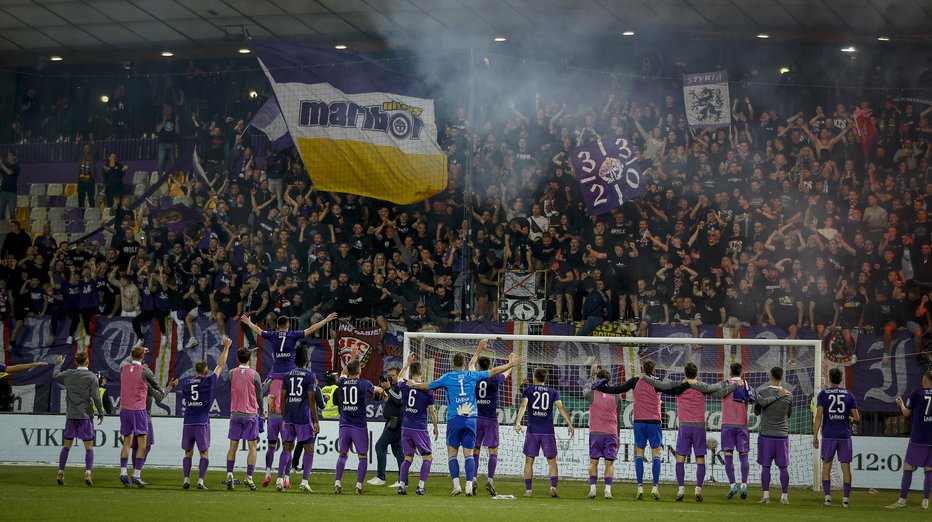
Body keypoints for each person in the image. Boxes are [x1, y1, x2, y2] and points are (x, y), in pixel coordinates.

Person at [405, 339, 526, 496]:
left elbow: (427, 385)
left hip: (455, 418)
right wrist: (510, 364)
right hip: (471, 419)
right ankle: (469, 485)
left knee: (452, 453)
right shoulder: (472, 375)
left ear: (452, 363)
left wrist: (413, 385)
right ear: (464, 363)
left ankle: (457, 485)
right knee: (469, 454)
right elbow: (494, 371)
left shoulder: (447, 377)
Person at [594, 359, 688, 500]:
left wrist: (600, 387)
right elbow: (674, 391)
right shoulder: (657, 382)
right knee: (656, 454)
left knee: (639, 453)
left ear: (642, 368)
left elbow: (617, 389)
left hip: (639, 422)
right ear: (654, 369)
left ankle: (640, 488)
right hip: (654, 422)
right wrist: (687, 384)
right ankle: (655, 487)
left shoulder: (634, 381)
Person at [667, 363, 739, 502]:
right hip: (699, 427)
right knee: (700, 458)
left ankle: (681, 489)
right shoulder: (703, 387)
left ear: (684, 373)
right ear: (697, 373)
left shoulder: (679, 387)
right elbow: (721, 392)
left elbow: (664, 387)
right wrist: (734, 385)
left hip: (684, 426)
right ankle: (698, 490)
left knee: (680, 457)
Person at [179, 337, 231, 490]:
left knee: (188, 452)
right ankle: (201, 481)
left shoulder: (186, 383)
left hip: (188, 422)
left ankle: (186, 480)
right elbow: (221, 365)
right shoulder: (208, 382)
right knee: (204, 452)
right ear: (206, 371)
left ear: (196, 370)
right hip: (202, 422)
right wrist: (226, 347)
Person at [514, 367, 574, 498]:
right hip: (547, 431)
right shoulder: (553, 391)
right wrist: (569, 423)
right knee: (552, 461)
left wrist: (518, 422)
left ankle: (528, 491)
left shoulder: (528, 390)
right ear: (545, 378)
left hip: (532, 431)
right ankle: (553, 488)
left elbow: (523, 405)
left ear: (534, 378)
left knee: (529, 461)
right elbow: (561, 407)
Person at [333, 347, 385, 495]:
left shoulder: (342, 382)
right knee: (362, 456)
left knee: (343, 454)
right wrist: (384, 392)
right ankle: (359, 486)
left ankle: (337, 484)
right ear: (360, 370)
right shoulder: (364, 383)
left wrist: (352, 358)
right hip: (359, 425)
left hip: (344, 424)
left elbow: (343, 373)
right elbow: (377, 390)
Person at [53, 352, 104, 486]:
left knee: (66, 446)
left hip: (71, 415)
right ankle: (88, 473)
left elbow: (56, 375)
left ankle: (60, 472)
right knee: (89, 446)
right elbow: (96, 397)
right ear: (87, 361)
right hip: (85, 416)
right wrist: (100, 412)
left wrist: (58, 364)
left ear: (76, 362)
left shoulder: (69, 373)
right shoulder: (91, 376)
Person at [813, 367, 860, 507]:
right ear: (841, 379)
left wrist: (815, 436)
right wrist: (850, 418)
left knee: (826, 465)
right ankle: (845, 499)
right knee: (846, 467)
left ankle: (827, 498)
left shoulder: (823, 394)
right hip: (844, 436)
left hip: (828, 435)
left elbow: (819, 416)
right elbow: (857, 417)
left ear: (829, 378)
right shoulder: (849, 395)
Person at [240, 312, 337, 379]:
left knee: (270, 395)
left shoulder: (272, 335)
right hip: (291, 372)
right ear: (288, 326)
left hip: (276, 373)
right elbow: (311, 329)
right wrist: (325, 320)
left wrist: (249, 323)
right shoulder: (293, 335)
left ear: (277, 325)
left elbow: (259, 331)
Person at [118, 346, 163, 488]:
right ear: (143, 357)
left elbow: (126, 360)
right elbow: (155, 384)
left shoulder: (123, 368)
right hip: (138, 410)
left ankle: (123, 472)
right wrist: (162, 389)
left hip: (124, 409)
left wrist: (136, 352)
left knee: (127, 443)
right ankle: (136, 474)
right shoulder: (144, 371)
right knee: (143, 443)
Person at [887, 369, 932, 510]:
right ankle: (925, 502)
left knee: (908, 466)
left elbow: (906, 413)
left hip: (918, 437)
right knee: (929, 469)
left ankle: (902, 501)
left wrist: (900, 404)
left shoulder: (917, 393)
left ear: (924, 381)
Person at [396, 354, 439, 496]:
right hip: (419, 427)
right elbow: (432, 410)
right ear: (421, 373)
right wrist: (436, 427)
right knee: (428, 457)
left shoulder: (407, 384)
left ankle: (402, 486)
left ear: (412, 372)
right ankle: (420, 486)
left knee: (408, 457)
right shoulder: (426, 388)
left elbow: (399, 378)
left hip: (406, 426)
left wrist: (406, 364)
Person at [278, 347, 320, 493]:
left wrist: (284, 418)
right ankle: (304, 482)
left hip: (289, 416)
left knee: (286, 448)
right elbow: (311, 400)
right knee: (309, 448)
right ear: (307, 361)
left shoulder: (287, 375)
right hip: (303, 418)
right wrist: (316, 421)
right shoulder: (310, 376)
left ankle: (279, 480)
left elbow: (282, 398)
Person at [225, 348, 264, 491]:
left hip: (235, 413)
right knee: (252, 447)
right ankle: (249, 477)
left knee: (232, 446)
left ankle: (229, 473)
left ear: (237, 359)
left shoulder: (231, 373)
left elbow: (230, 386)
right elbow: (259, 395)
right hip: (250, 414)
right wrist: (262, 410)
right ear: (249, 359)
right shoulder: (254, 374)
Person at [470, 355, 509, 496]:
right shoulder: (495, 378)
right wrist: (511, 362)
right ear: (490, 365)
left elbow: (470, 365)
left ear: (479, 366)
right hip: (490, 419)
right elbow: (506, 372)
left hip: (476, 418)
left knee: (475, 449)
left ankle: (473, 478)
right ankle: (490, 480)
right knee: (493, 450)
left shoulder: (474, 376)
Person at [755, 366, 793, 505]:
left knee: (766, 466)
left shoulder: (763, 392)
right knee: (783, 467)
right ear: (782, 377)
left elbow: (757, 412)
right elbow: (788, 414)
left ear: (770, 376)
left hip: (766, 436)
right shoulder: (789, 394)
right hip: (782, 436)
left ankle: (766, 496)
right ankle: (784, 497)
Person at [584, 365, 621, 499]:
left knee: (593, 461)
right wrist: (619, 436)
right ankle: (607, 490)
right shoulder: (616, 395)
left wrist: (591, 376)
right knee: (609, 463)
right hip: (611, 433)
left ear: (598, 379)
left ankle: (593, 489)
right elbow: (619, 417)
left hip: (596, 433)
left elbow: (585, 390)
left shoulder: (591, 393)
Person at [721, 363, 755, 501]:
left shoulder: (725, 385)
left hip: (727, 425)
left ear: (730, 372)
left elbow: (718, 393)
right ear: (742, 373)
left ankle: (733, 485)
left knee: (728, 455)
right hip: (742, 425)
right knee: (744, 455)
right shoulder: (747, 386)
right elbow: (754, 400)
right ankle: (744, 485)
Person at [369, 366, 403, 488]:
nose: (390, 377)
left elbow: (399, 400)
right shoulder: (391, 388)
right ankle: (402, 480)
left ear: (398, 375)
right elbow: (376, 398)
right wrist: (381, 388)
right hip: (391, 421)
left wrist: (388, 388)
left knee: (380, 446)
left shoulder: (400, 386)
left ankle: (381, 477)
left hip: (395, 422)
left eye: (393, 375)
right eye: (389, 375)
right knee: (398, 451)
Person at [260, 377, 284, 488]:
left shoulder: (272, 380)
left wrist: (263, 410)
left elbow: (261, 392)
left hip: (272, 417)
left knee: (271, 447)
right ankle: (284, 478)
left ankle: (267, 474)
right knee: (287, 448)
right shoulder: (289, 379)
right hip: (285, 418)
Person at [0, 150, 19, 220]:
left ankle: (13, 228)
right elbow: (2, 171)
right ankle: (2, 228)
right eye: (8, 155)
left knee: (12, 212)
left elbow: (9, 172)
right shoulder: (6, 165)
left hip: (12, 192)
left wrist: (1, 164)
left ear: (14, 157)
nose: (8, 157)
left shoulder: (16, 166)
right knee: (1, 211)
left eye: (10, 155)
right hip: (3, 191)